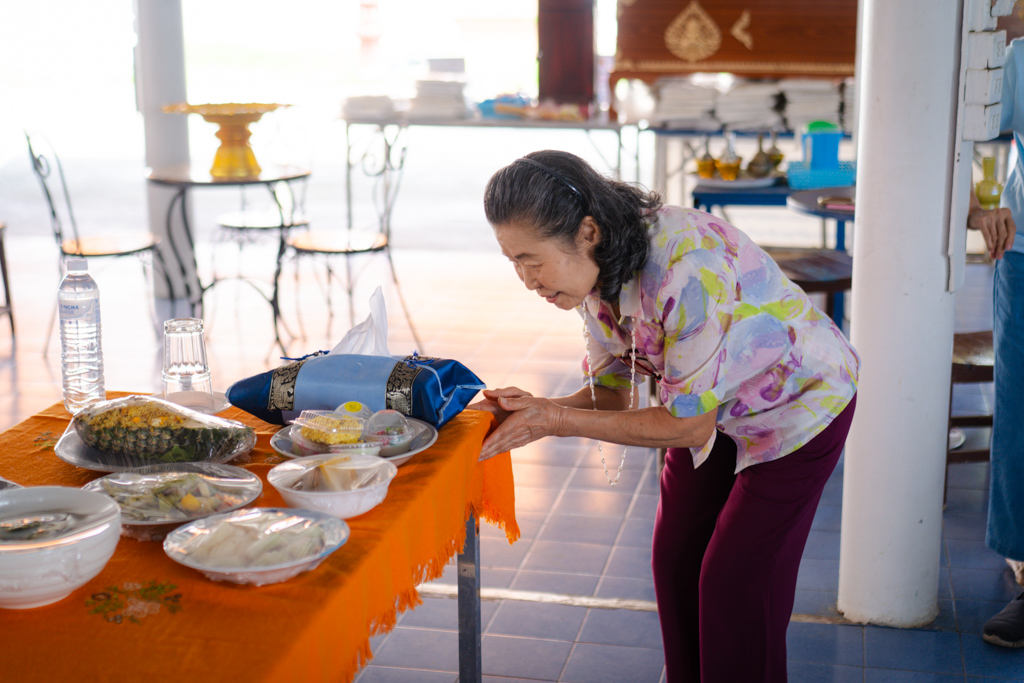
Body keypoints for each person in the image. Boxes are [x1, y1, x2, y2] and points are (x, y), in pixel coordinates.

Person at [472, 150, 859, 682]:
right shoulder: (590, 276)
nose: (526, 279)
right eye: (513, 261)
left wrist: (554, 420)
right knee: (676, 559)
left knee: (736, 583)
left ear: (587, 232)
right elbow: (612, 396)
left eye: (531, 259)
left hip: (796, 405)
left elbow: (686, 426)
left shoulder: (686, 267)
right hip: (710, 404)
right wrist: (528, 411)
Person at [964, 34, 1024, 650]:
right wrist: (980, 208)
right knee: (1021, 409)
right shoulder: (1020, 61)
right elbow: (968, 132)